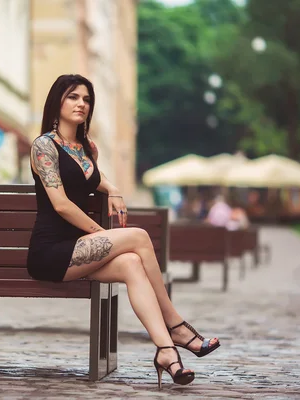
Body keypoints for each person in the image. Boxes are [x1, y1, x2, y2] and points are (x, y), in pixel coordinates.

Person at [26, 74, 220, 388]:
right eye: (73, 97)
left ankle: (167, 353)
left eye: (87, 99)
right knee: (138, 237)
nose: (81, 104)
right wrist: (100, 234)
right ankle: (176, 325)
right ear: (57, 102)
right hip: (51, 252)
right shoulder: (43, 147)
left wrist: (113, 187)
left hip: (79, 252)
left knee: (131, 264)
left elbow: (90, 176)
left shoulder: (86, 147)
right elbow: (61, 204)